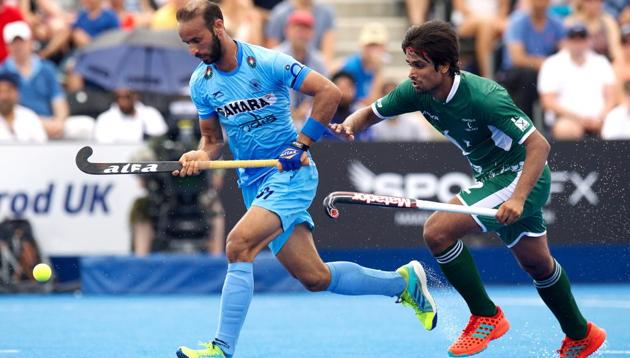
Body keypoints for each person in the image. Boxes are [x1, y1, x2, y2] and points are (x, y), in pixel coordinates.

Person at [173, 2, 437, 357]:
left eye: (197, 40)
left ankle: (221, 349)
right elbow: (213, 141)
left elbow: (329, 91)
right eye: (186, 43)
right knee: (314, 277)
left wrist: (301, 144)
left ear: (219, 27)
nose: (193, 50)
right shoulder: (201, 83)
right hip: (254, 184)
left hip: (290, 175)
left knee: (238, 246)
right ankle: (402, 283)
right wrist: (200, 157)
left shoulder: (267, 63)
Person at [331, 20, 606, 357]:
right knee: (538, 264)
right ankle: (581, 334)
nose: (412, 73)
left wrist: (518, 198)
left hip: (519, 176)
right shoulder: (415, 91)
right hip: (491, 177)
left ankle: (486, 316)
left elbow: (539, 145)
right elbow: (371, 113)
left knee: (437, 231)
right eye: (409, 65)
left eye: (419, 65)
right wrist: (349, 126)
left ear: (444, 66)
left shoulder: (485, 97)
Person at [538, 23, 616, 139]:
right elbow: (548, 101)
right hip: (567, 119)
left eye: (581, 39)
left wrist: (600, 117)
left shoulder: (601, 62)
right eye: (574, 39)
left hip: (601, 118)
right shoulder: (552, 64)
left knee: (618, 126)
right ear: (566, 41)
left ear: (589, 41)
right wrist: (578, 118)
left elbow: (611, 97)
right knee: (566, 130)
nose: (578, 44)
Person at [1, 21, 68, 140]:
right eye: (14, 43)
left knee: (82, 127)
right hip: (18, 121)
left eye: (22, 42)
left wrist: (59, 122)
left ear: (30, 42)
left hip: (50, 121)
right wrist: (38, 122)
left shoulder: (47, 68)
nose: (18, 46)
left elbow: (58, 100)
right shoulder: (3, 72)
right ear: (7, 46)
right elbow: (6, 108)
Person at [0, 71, 47, 142]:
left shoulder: (29, 117)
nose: (4, 97)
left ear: (17, 93)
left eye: (8, 91)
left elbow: (42, 145)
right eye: (0, 92)